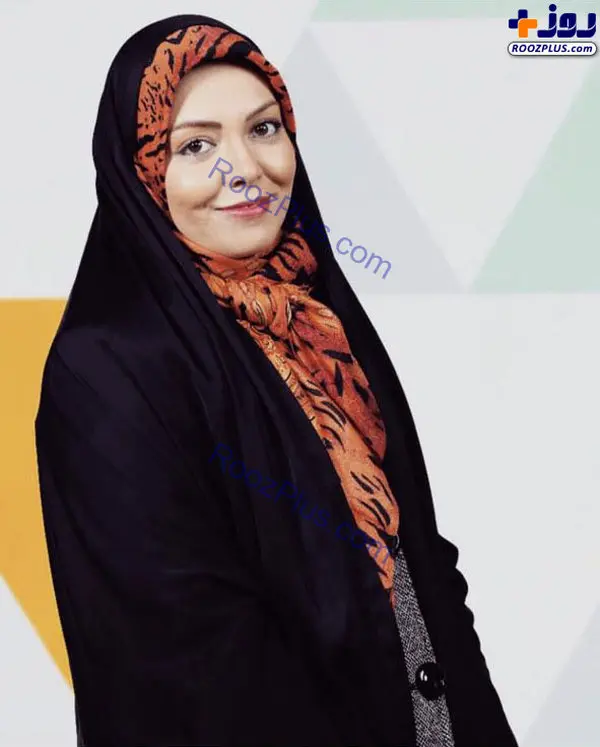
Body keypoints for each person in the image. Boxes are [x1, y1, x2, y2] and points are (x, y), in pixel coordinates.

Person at [34, 14, 518, 747]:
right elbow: (195, 666)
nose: (244, 168)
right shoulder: (108, 368)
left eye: (264, 129)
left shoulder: (318, 323)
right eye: (196, 145)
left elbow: (422, 566)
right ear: (142, 172)